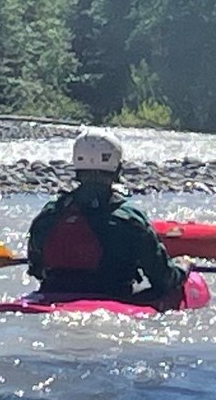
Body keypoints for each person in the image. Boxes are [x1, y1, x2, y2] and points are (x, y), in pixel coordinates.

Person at [26, 130, 187, 307]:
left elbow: (36, 269)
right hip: (112, 296)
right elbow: (162, 279)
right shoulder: (130, 219)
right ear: (117, 169)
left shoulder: (50, 213)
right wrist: (182, 269)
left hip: (52, 293)